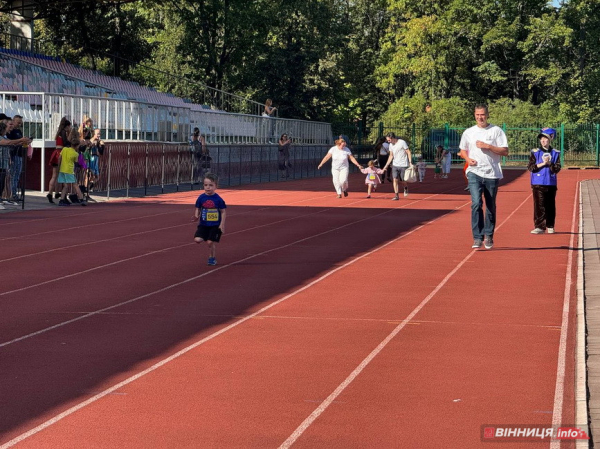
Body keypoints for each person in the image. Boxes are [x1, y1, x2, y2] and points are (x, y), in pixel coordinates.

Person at [458, 104, 509, 249]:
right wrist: (468, 160)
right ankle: (477, 237)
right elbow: (462, 150)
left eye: (483, 115)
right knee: (476, 203)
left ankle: (489, 236)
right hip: (474, 172)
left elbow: (505, 151)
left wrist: (488, 146)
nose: (480, 117)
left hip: (492, 173)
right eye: (477, 115)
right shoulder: (469, 132)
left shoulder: (496, 131)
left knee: (490, 205)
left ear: (487, 115)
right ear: (474, 115)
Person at [528, 128, 561, 234]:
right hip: (538, 182)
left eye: (545, 139)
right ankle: (539, 226)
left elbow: (557, 169)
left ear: (550, 139)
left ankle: (550, 225)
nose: (543, 141)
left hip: (551, 182)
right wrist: (542, 163)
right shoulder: (535, 152)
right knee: (539, 205)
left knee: (550, 205)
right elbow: (531, 167)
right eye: (541, 139)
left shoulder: (555, 153)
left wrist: (550, 163)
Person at [191, 173, 227, 266]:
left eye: (211, 185)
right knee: (197, 240)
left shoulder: (218, 199)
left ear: (216, 186)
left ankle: (212, 258)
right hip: (204, 224)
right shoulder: (201, 197)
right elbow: (198, 207)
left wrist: (222, 225)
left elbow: (223, 212)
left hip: (215, 225)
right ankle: (207, 236)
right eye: (206, 185)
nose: (208, 187)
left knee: (210, 242)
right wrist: (196, 216)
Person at [57, 128, 86, 206]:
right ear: (77, 146)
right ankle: (81, 198)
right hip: (69, 171)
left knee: (65, 186)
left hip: (62, 170)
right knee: (75, 184)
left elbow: (59, 158)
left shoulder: (65, 149)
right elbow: (76, 163)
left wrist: (59, 167)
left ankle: (61, 200)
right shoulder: (75, 154)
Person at [382, 132, 413, 200]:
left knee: (403, 180)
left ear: (392, 138)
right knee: (395, 179)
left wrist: (410, 162)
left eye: (389, 140)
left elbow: (408, 152)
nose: (388, 141)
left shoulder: (402, 142)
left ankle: (405, 187)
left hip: (403, 164)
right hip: (395, 165)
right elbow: (391, 155)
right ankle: (396, 195)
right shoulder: (390, 145)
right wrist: (386, 166)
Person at [47, 117, 71, 203]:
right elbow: (65, 142)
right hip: (60, 153)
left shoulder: (58, 132)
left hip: (56, 152)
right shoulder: (64, 132)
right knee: (61, 174)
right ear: (67, 126)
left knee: (55, 175)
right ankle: (57, 194)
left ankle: (51, 192)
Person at [87, 128, 105, 192]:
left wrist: (102, 146)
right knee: (91, 174)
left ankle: (91, 185)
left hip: (96, 158)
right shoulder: (90, 141)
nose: (99, 135)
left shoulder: (99, 141)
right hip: (91, 158)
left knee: (97, 176)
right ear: (94, 134)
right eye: (97, 134)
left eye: (99, 134)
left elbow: (101, 152)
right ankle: (87, 187)